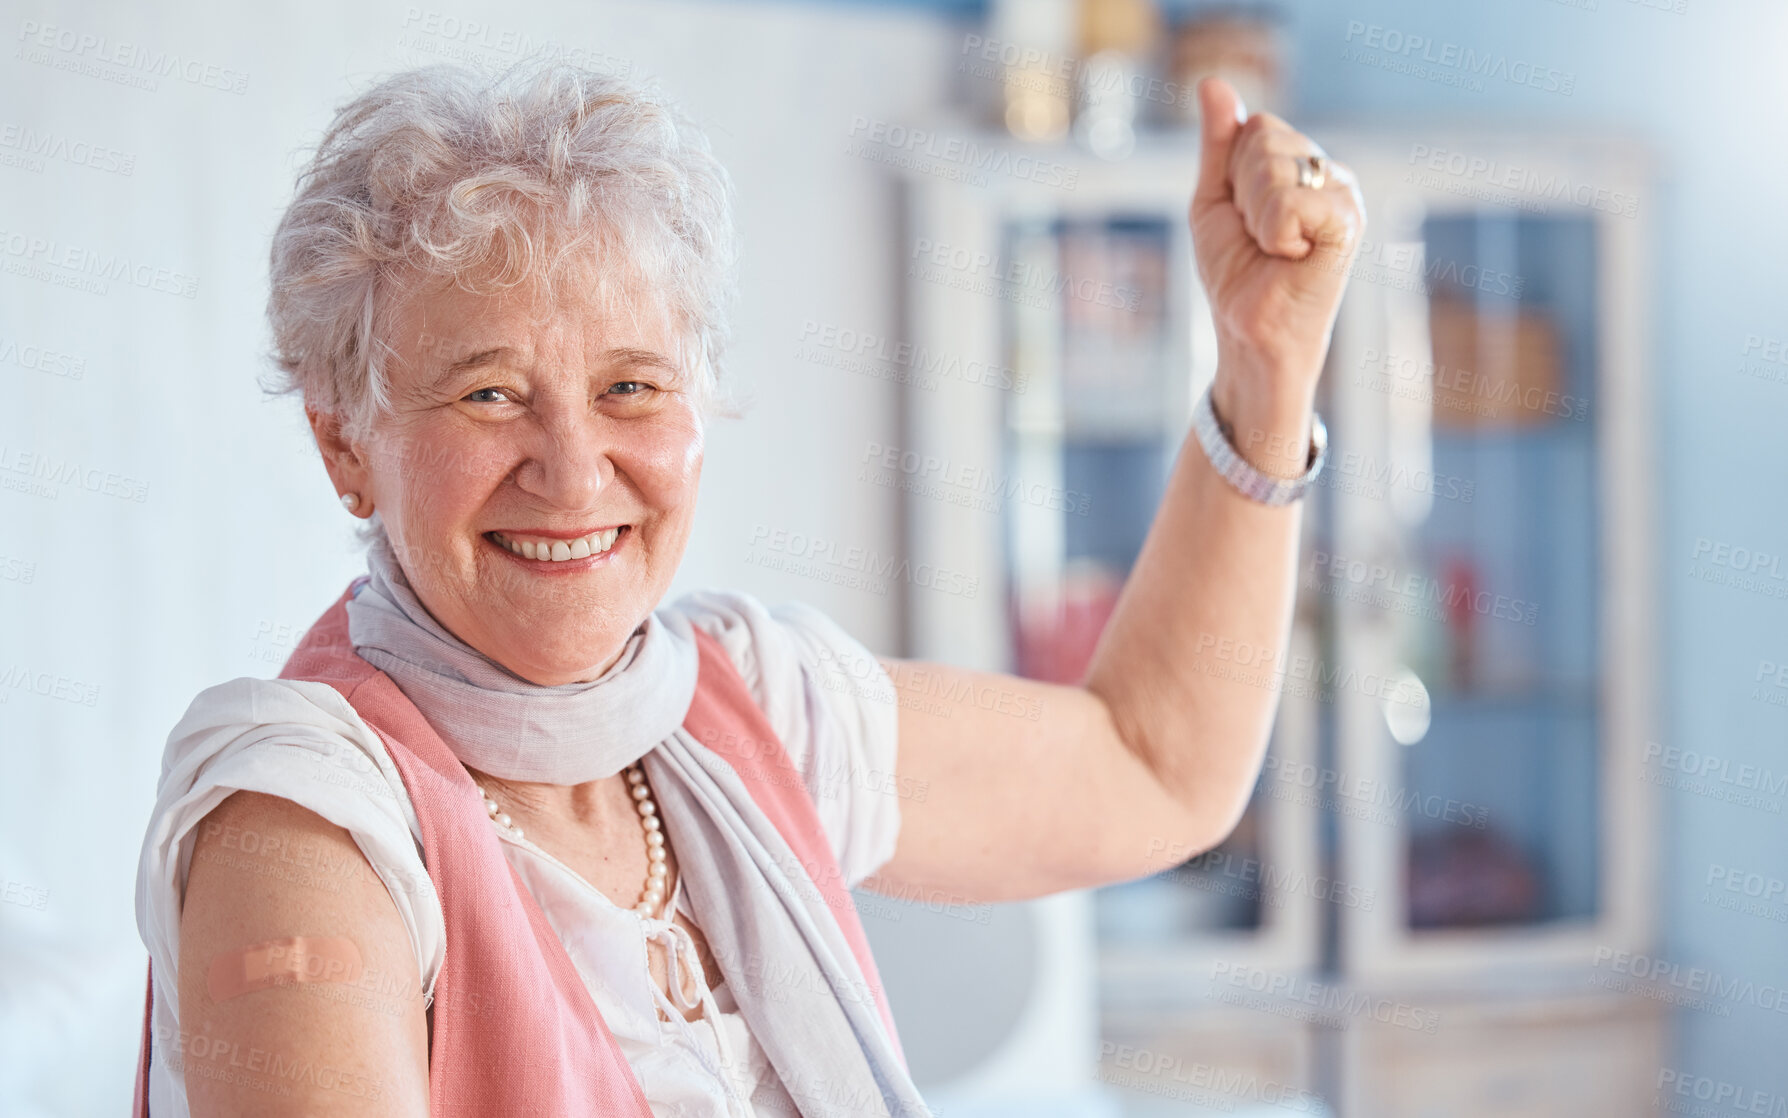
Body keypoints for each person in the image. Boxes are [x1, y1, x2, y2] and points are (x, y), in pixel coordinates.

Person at [130, 57, 1363, 1117]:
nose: (572, 472)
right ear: (346, 443)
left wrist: (1266, 374)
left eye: (630, 387)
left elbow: (1155, 763)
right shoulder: (304, 813)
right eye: (489, 392)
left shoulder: (748, 704)